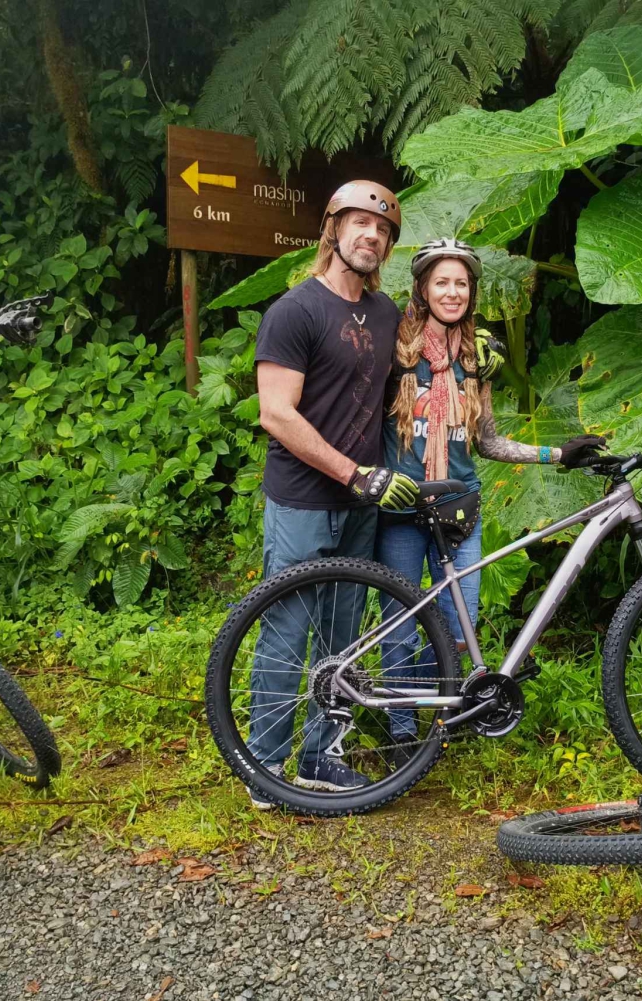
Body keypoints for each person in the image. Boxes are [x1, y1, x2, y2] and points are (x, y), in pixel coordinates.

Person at [374, 239, 604, 766]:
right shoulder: (396, 349)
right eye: (442, 282)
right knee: (400, 627)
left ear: (471, 292)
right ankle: (402, 734)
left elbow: (488, 442)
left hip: (460, 512)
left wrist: (557, 453)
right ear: (423, 289)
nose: (452, 292)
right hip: (404, 512)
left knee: (459, 629)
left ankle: (443, 721)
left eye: (461, 283)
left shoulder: (476, 361)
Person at [247, 180, 417, 803]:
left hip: (362, 505)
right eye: (360, 224)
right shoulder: (295, 311)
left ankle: (321, 755)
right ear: (333, 228)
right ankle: (264, 767)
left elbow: (414, 374)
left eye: (383, 231)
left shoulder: (385, 313)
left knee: (344, 637)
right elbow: (276, 413)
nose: (371, 236)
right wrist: (352, 473)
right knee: (288, 632)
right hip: (303, 499)